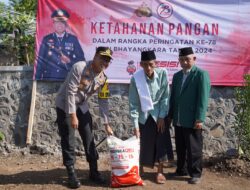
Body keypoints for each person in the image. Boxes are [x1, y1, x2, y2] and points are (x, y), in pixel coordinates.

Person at [55, 47, 114, 189]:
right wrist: (73, 116)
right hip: (65, 105)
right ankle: (71, 174)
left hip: (81, 105)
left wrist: (106, 123)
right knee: (68, 138)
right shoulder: (79, 67)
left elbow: (103, 101)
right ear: (95, 56)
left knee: (89, 137)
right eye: (102, 58)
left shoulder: (103, 79)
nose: (104, 62)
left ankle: (93, 172)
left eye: (107, 60)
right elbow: (70, 92)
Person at [167, 47, 211, 184]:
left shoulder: (201, 74)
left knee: (194, 148)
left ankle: (196, 173)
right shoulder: (177, 76)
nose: (184, 62)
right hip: (179, 118)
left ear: (194, 59)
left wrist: (200, 118)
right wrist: (170, 116)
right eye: (181, 59)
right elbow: (173, 97)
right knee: (180, 146)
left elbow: (203, 98)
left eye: (187, 59)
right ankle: (181, 169)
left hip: (192, 119)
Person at [128, 50, 172, 184]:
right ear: (141, 64)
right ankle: (139, 169)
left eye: (151, 64)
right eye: (145, 65)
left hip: (159, 113)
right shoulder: (136, 78)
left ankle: (160, 171)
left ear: (156, 63)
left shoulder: (163, 74)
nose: (148, 68)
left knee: (161, 142)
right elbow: (133, 103)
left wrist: (162, 116)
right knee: (142, 142)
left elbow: (165, 96)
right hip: (144, 114)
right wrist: (135, 124)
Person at [35, 9, 85, 80]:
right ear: (53, 24)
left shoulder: (73, 39)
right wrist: (37, 80)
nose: (59, 25)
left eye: (62, 22)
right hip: (50, 78)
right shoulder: (46, 39)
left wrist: (69, 61)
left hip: (67, 78)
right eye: (57, 22)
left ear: (66, 25)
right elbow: (40, 62)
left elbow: (82, 60)